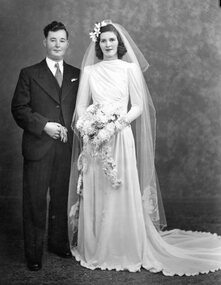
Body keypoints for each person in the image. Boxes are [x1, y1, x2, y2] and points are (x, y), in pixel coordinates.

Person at [68, 20, 221, 275]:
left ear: (119, 44)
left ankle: (123, 245)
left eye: (112, 40)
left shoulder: (129, 69)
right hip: (95, 138)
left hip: (119, 135)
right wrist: (90, 127)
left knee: (119, 187)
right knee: (98, 188)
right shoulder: (91, 72)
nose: (107, 44)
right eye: (103, 40)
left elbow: (138, 106)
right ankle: (96, 246)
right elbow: (81, 106)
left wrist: (114, 126)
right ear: (98, 44)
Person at [11, 21, 80, 271]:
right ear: (45, 42)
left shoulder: (77, 73)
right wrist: (45, 126)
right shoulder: (29, 73)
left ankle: (58, 243)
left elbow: (80, 110)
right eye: (53, 40)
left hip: (65, 148)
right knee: (35, 202)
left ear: (67, 43)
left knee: (61, 199)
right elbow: (19, 109)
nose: (57, 44)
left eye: (62, 40)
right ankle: (33, 253)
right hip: (38, 147)